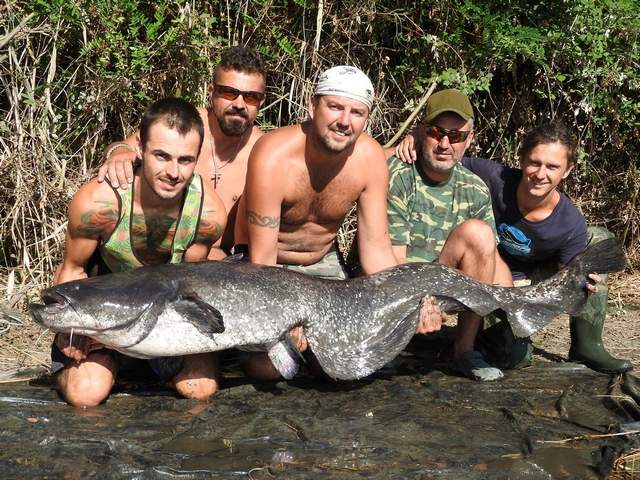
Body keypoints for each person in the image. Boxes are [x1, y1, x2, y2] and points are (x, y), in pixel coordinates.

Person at [234, 66, 440, 380]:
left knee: (347, 366)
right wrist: (289, 318)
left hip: (323, 265)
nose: (344, 121)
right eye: (335, 107)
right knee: (268, 370)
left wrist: (416, 300)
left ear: (366, 118)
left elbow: (377, 253)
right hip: (270, 268)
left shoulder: (370, 158)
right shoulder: (272, 155)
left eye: (356, 112)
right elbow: (262, 263)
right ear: (312, 105)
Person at [394, 117, 631, 374]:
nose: (541, 174)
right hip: (488, 277)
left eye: (552, 167)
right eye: (534, 163)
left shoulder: (570, 222)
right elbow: (443, 154)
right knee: (510, 353)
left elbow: (565, 288)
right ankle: (463, 342)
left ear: (567, 170)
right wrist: (415, 142)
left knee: (597, 242)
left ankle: (588, 346)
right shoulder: (494, 177)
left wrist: (583, 289)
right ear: (522, 160)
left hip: (532, 288)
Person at [52, 98, 228, 407]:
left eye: (185, 160)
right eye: (161, 156)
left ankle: (145, 363)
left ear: (197, 159)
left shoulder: (208, 214)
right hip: (105, 310)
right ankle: (104, 363)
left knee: (199, 389)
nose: (173, 172)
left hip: (165, 310)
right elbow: (73, 268)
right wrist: (69, 330)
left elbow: (190, 284)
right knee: (86, 393)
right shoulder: (100, 203)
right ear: (141, 150)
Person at [383, 88, 515, 382]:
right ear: (420, 132)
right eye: (436, 132)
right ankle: (390, 343)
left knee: (480, 236)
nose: (445, 143)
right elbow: (391, 262)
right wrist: (422, 303)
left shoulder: (476, 189)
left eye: (456, 136)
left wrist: (517, 300)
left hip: (443, 286)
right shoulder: (397, 174)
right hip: (395, 288)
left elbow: (490, 260)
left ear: (469, 139)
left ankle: (464, 349)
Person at [97, 46, 266, 258]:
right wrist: (119, 152)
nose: (239, 104)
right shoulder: (184, 124)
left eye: (251, 97)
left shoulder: (265, 152)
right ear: (211, 93)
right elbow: (126, 147)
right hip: (154, 254)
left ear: (261, 102)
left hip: (220, 264)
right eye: (229, 93)